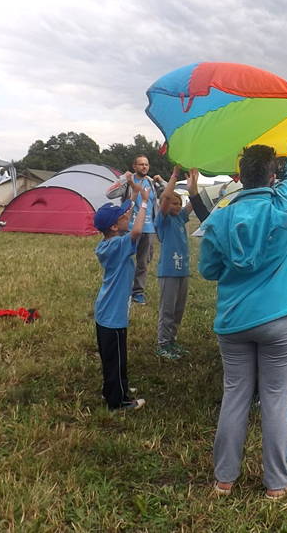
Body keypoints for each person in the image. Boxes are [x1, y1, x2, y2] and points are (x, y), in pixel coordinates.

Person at [199, 95, 287, 499]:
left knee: (235, 397)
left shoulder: (219, 216)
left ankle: (224, 480)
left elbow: (209, 270)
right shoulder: (284, 205)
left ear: (239, 176)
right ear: (272, 176)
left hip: (233, 321)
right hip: (281, 321)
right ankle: (277, 482)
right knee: (274, 401)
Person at [92, 185, 150, 412]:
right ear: (115, 226)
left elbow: (127, 215)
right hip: (112, 316)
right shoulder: (119, 244)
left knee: (113, 357)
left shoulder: (109, 243)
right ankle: (119, 402)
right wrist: (145, 203)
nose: (128, 215)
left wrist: (134, 198)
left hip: (107, 313)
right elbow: (136, 232)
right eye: (123, 216)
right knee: (116, 358)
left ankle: (114, 388)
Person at [153, 166, 198, 360]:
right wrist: (173, 176)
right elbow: (165, 197)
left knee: (178, 310)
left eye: (178, 203)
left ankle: (172, 341)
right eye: (173, 204)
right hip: (169, 272)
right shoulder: (162, 220)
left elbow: (193, 204)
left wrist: (193, 184)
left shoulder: (180, 218)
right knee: (168, 309)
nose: (176, 206)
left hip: (183, 272)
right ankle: (163, 344)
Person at [106, 155, 164, 305]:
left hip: (149, 228)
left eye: (146, 164)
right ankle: (121, 289)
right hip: (129, 228)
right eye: (141, 164)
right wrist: (123, 179)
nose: (144, 167)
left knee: (143, 262)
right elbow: (109, 193)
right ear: (134, 166)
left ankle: (138, 292)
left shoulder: (151, 183)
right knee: (125, 259)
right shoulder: (128, 182)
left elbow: (167, 194)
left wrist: (161, 181)